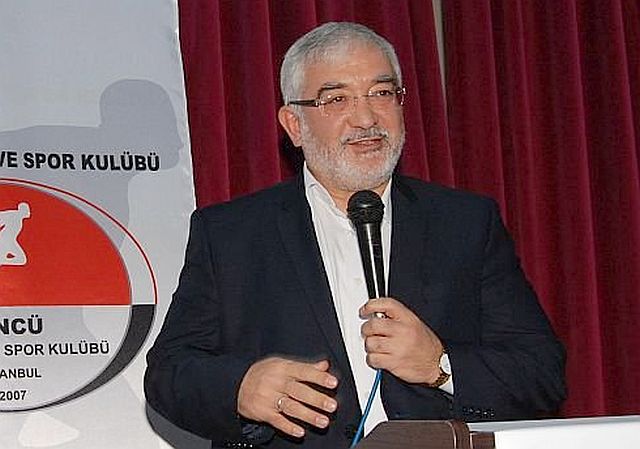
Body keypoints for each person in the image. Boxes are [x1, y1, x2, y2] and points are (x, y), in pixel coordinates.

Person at [144, 22, 566, 448]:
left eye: (381, 93)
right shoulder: (231, 233)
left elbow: (543, 373)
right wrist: (240, 387)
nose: (366, 119)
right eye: (336, 99)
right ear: (294, 124)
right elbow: (168, 373)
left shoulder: (464, 222)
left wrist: (440, 366)